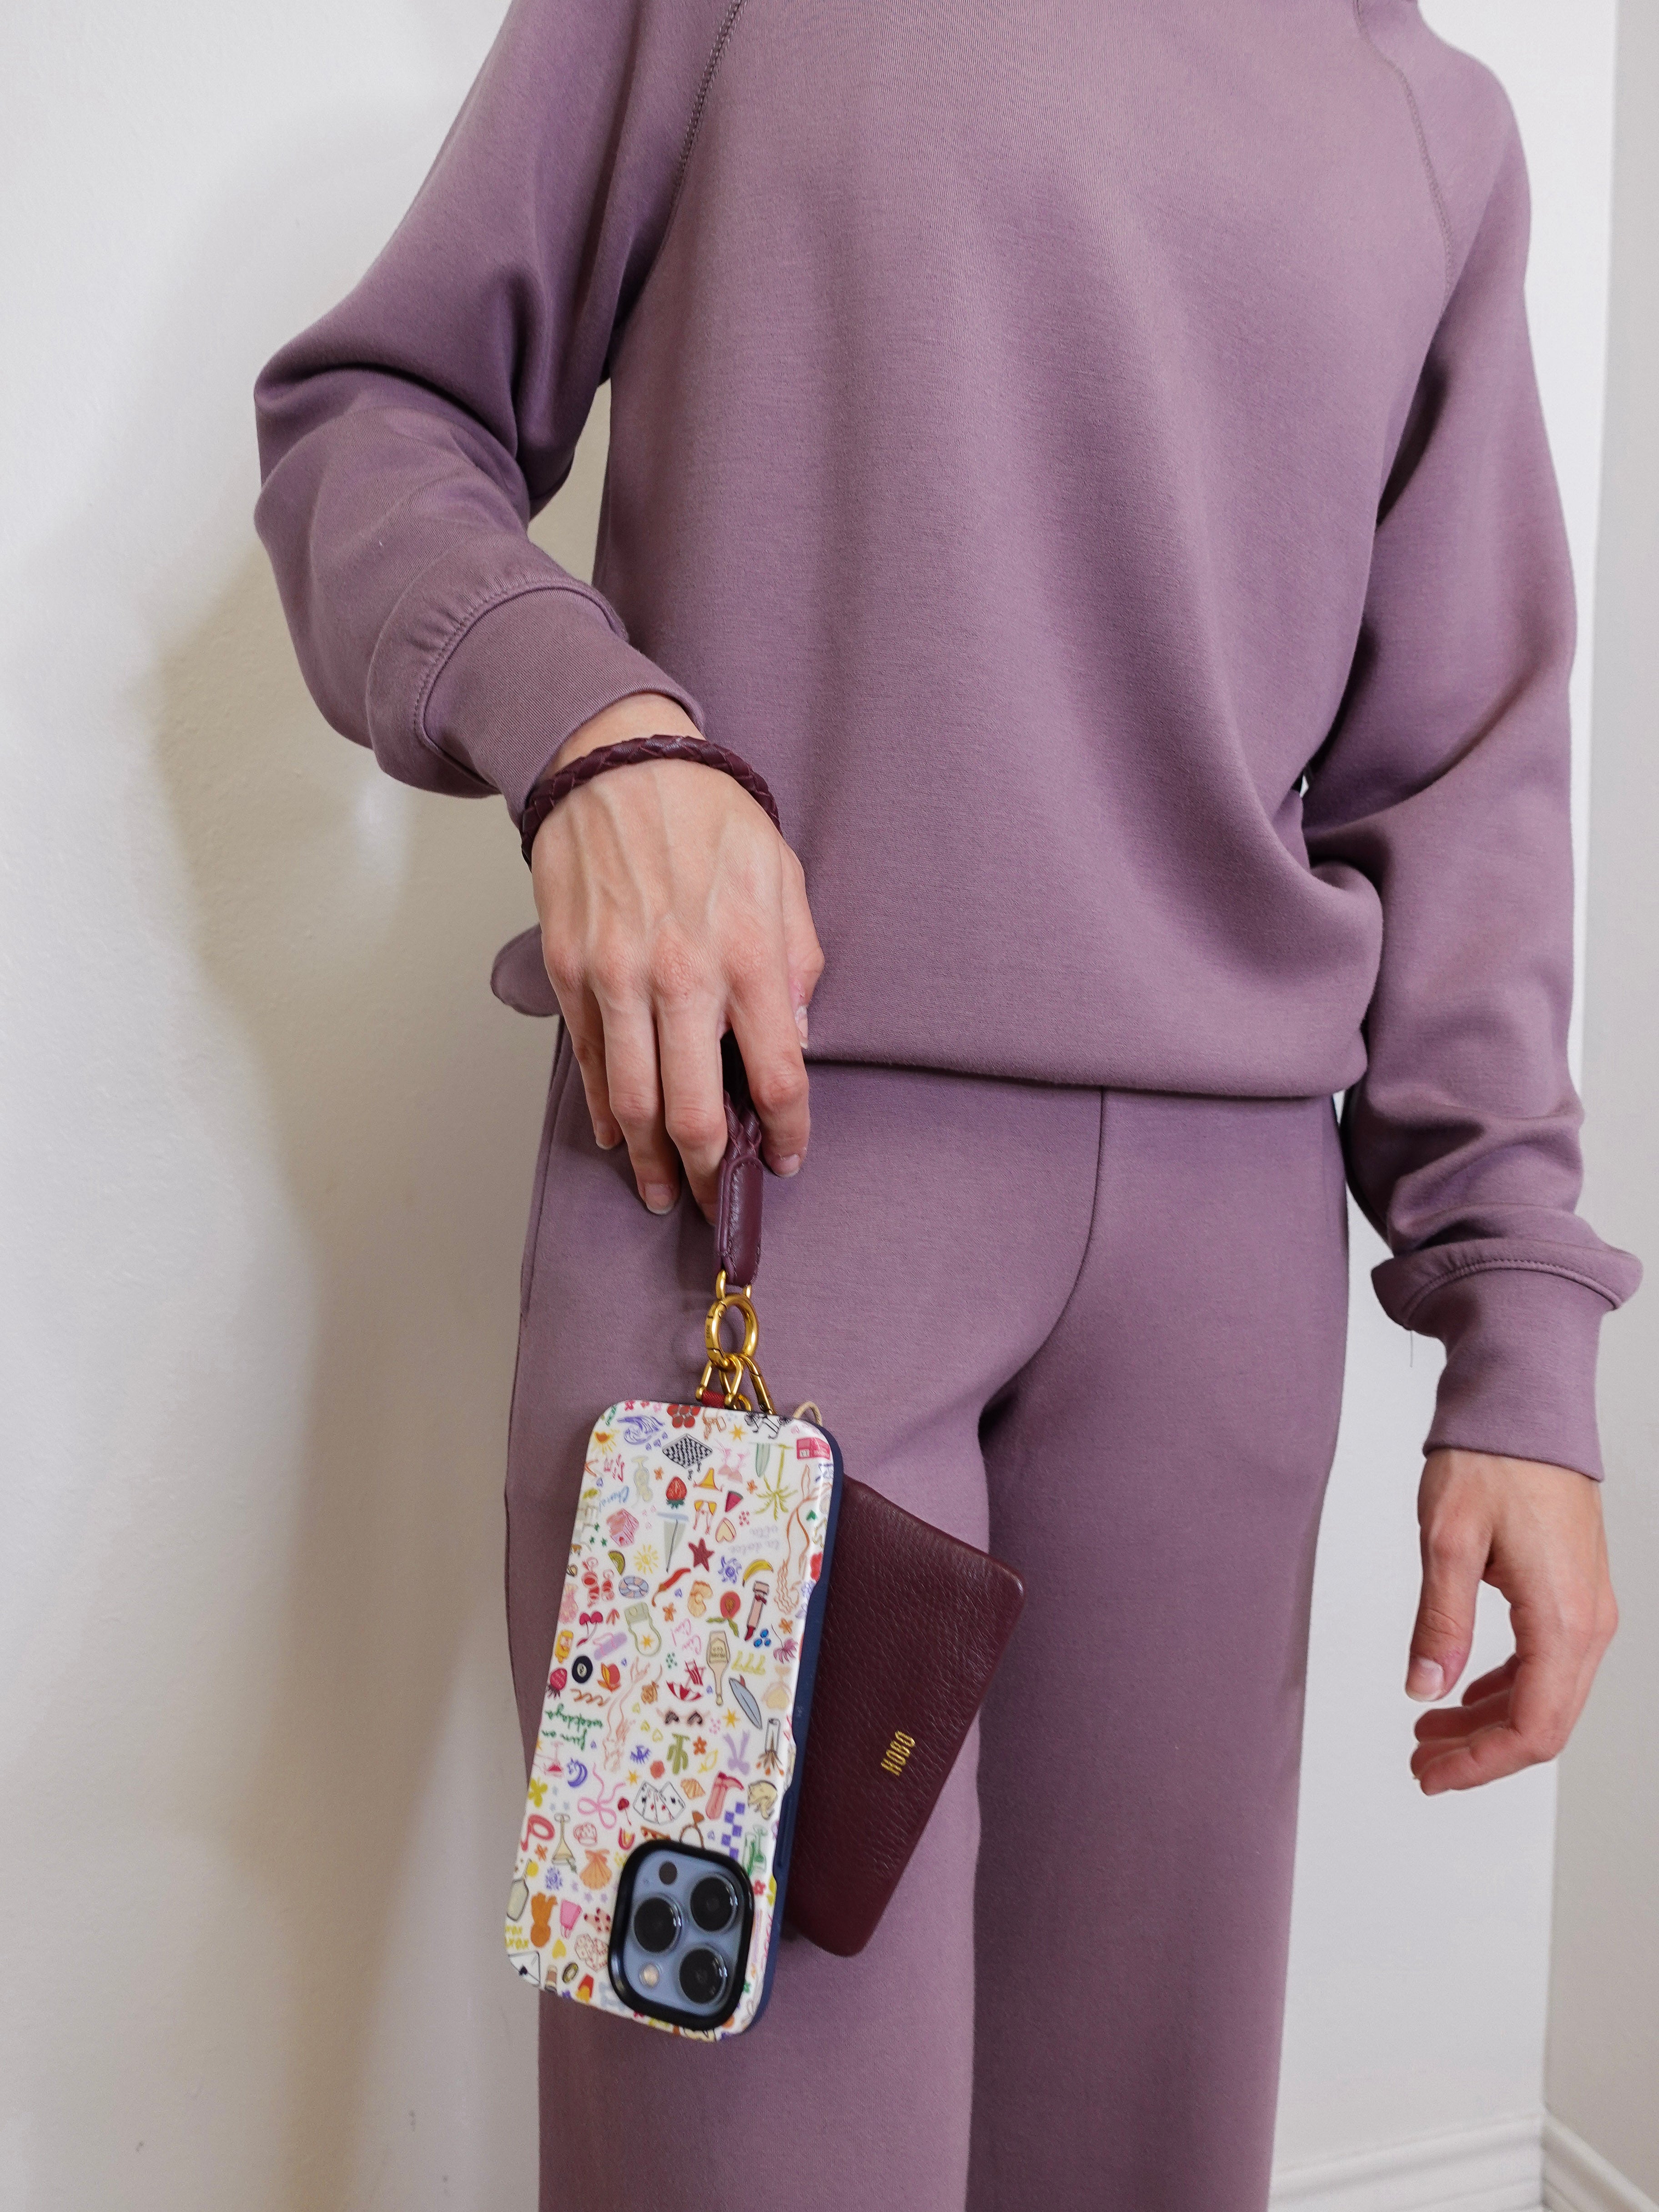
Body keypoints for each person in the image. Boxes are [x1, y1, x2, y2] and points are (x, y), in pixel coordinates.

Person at [253, 2, 1640, 2205]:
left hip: (1216, 1296)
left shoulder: (1424, 114)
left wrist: (1523, 1345)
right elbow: (374, 417)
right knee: (730, 2136)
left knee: (1139, 2155)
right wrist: (591, 729)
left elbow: (1457, 777)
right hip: (748, 1219)